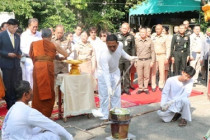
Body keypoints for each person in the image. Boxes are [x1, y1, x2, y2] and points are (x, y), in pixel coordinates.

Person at [2, 80, 73, 140]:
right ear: (25, 95)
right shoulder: (28, 112)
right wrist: (70, 137)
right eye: (30, 89)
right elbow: (52, 125)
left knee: (40, 127)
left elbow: (4, 130)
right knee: (53, 136)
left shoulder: (12, 108)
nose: (32, 91)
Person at [94, 34, 137, 120]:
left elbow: (121, 52)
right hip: (103, 74)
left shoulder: (120, 45)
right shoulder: (104, 54)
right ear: (106, 44)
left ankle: (115, 114)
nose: (112, 48)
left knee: (116, 95)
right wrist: (109, 87)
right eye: (110, 46)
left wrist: (129, 57)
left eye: (114, 46)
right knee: (104, 95)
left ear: (117, 43)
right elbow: (106, 73)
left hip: (115, 72)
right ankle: (104, 115)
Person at [30, 28, 68, 117]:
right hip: (48, 68)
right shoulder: (53, 44)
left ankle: (37, 114)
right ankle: (46, 115)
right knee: (49, 91)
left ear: (41, 36)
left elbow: (32, 56)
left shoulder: (34, 44)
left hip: (37, 67)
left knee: (37, 90)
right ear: (51, 36)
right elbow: (65, 54)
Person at [0, 19, 22, 109]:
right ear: (8, 26)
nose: (15, 29)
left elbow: (18, 49)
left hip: (15, 63)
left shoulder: (17, 36)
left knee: (14, 83)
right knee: (7, 84)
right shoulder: (2, 36)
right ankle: (9, 103)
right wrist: (7, 54)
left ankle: (14, 101)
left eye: (16, 27)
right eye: (13, 27)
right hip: (6, 64)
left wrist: (19, 53)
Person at [20, 18, 42, 88]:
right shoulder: (24, 35)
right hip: (28, 60)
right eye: (33, 27)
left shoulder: (39, 34)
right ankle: (30, 97)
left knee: (38, 78)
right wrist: (33, 53)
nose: (35, 28)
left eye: (36, 26)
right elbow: (22, 48)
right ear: (29, 26)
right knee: (29, 79)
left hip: (38, 60)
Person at [116, 22, 135, 95]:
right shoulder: (117, 35)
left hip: (128, 58)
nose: (124, 30)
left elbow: (133, 48)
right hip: (119, 58)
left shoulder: (131, 37)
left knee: (127, 74)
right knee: (119, 74)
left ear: (128, 29)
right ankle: (120, 88)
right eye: (123, 28)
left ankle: (126, 89)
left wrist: (132, 58)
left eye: (126, 28)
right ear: (121, 28)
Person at [136, 28, 155, 94]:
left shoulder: (150, 41)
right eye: (141, 32)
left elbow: (152, 51)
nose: (142, 34)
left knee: (146, 75)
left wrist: (152, 61)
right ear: (139, 33)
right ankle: (140, 88)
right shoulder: (137, 41)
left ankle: (146, 87)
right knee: (140, 75)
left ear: (146, 33)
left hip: (147, 60)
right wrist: (135, 61)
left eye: (144, 32)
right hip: (139, 60)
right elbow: (135, 52)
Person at [151, 24, 170, 92]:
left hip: (162, 55)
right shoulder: (152, 36)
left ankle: (161, 85)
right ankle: (153, 85)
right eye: (156, 29)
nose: (157, 30)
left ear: (162, 30)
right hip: (154, 55)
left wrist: (167, 57)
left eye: (159, 29)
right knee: (153, 71)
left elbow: (168, 48)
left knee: (162, 71)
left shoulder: (165, 37)